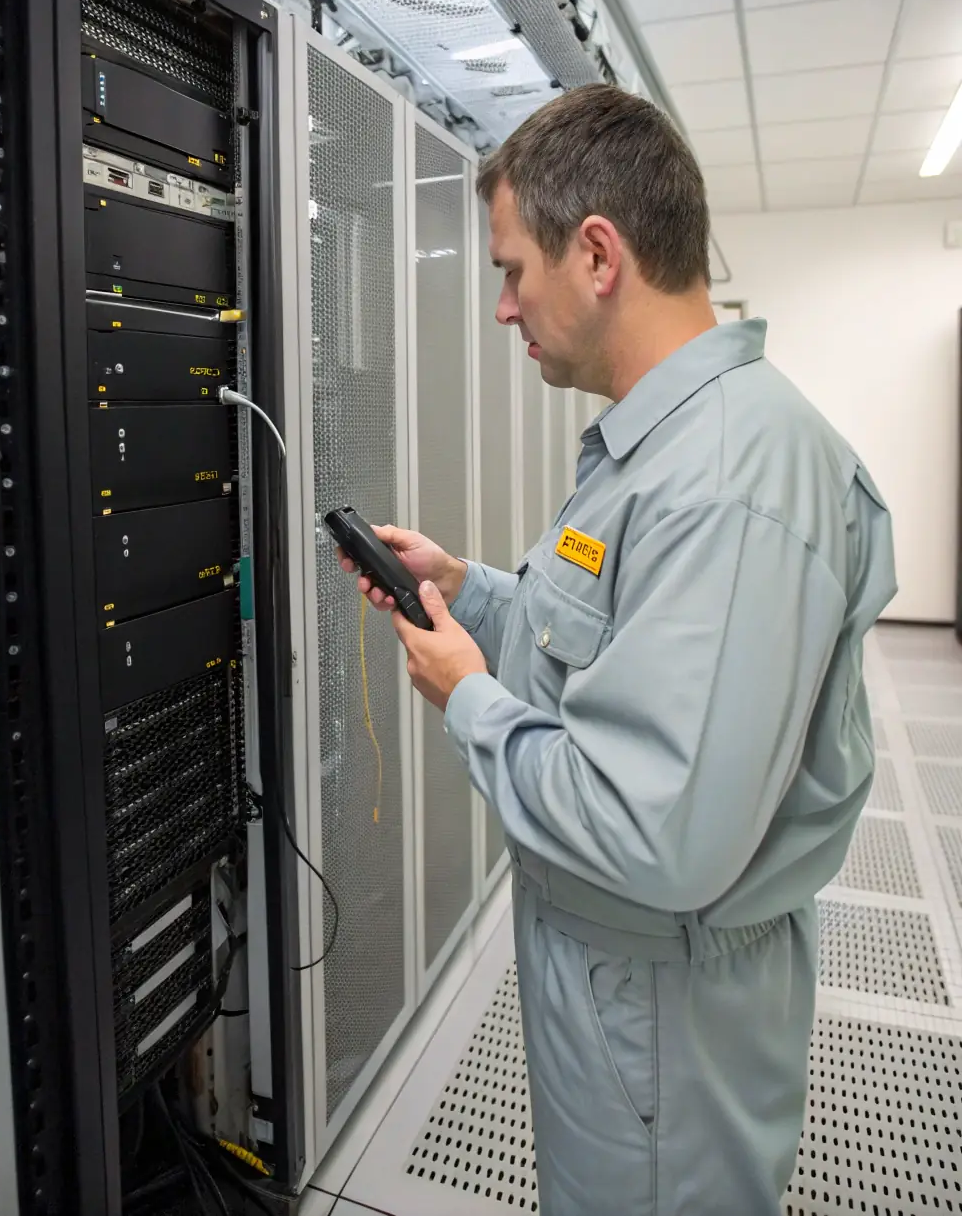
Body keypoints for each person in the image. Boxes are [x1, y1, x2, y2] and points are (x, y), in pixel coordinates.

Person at [337, 84, 896, 1215]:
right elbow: (595, 641)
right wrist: (468, 591)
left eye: (512, 271)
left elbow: (658, 832)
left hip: (665, 1017)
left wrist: (469, 700)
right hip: (620, 983)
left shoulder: (728, 482)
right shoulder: (665, 450)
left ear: (597, 255)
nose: (504, 307)